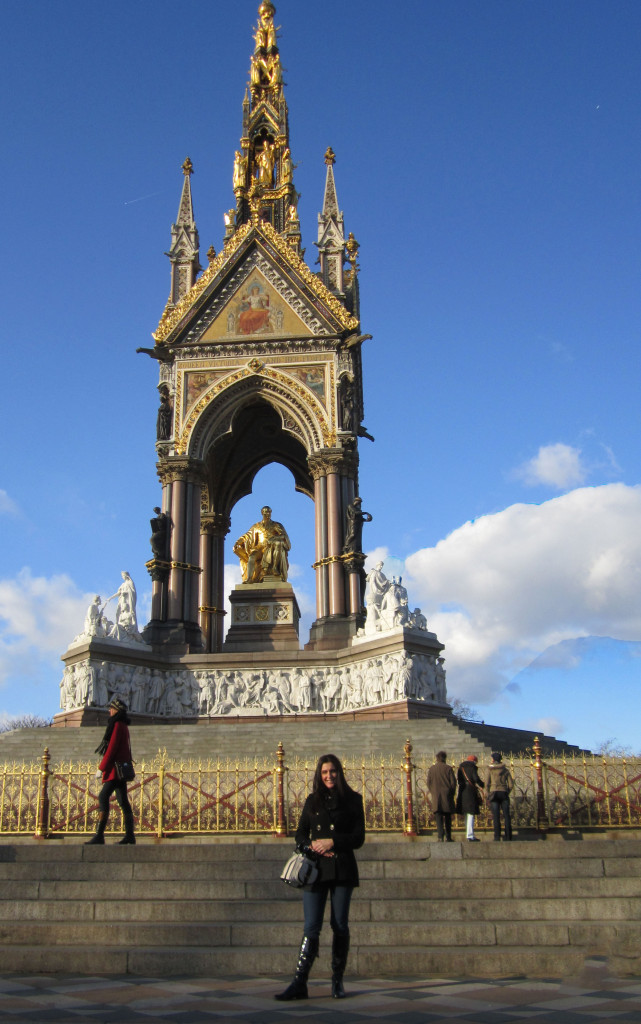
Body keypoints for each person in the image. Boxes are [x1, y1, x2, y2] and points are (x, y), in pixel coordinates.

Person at [275, 753, 365, 1002]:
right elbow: (300, 834)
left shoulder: (353, 800)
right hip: (315, 870)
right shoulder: (312, 801)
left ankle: (337, 980)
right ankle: (299, 981)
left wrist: (333, 841)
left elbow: (359, 837)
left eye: (333, 771)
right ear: (319, 774)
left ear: (339, 772)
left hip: (342, 869)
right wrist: (311, 845)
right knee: (311, 927)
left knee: (340, 925)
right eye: (325, 772)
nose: (329, 776)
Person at [86, 697, 135, 845]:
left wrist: (101, 768)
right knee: (123, 801)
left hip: (115, 770)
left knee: (103, 797)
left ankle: (99, 835)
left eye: (111, 708)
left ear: (116, 710)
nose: (109, 711)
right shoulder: (123, 725)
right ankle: (129, 836)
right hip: (120, 769)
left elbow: (112, 748)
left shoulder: (117, 725)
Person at [233, 506, 291, 583]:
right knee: (252, 557)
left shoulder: (276, 525)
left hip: (271, 547)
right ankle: (249, 578)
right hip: (259, 548)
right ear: (262, 513)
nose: (268, 514)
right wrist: (238, 542)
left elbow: (283, 536)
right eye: (266, 512)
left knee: (277, 545)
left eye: (269, 512)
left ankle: (274, 568)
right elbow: (247, 536)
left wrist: (274, 539)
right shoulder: (256, 526)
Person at [427, 751, 457, 842]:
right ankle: (448, 836)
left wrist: (433, 792)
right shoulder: (448, 768)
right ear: (445, 758)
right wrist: (451, 793)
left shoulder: (432, 769)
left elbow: (428, 783)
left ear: (437, 758)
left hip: (436, 796)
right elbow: (453, 783)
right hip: (447, 796)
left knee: (438, 817)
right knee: (448, 817)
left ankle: (440, 836)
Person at [485, 751, 514, 841]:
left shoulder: (490, 770)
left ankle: (497, 836)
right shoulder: (505, 770)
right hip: (504, 793)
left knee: (496, 816)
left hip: (494, 793)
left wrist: (487, 794)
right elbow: (511, 785)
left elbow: (487, 783)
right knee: (506, 815)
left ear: (493, 759)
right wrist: (506, 791)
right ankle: (508, 836)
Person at [456, 754, 484, 841]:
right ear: (474, 761)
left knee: (466, 814)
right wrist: (482, 784)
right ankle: (470, 835)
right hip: (470, 791)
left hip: (462, 791)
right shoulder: (472, 767)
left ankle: (468, 833)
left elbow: (458, 779)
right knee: (471, 813)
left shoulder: (461, 767)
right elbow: (475, 778)